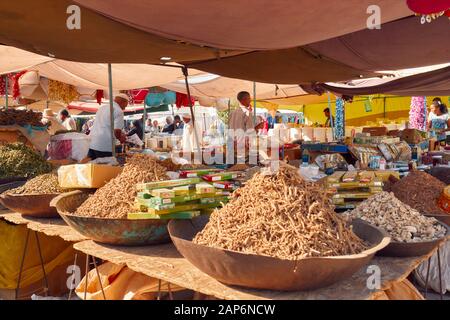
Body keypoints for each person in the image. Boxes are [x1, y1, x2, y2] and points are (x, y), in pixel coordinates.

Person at [88, 94, 128, 160]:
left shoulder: (102, 108)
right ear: (122, 102)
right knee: (105, 168)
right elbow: (117, 131)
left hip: (92, 143)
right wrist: (121, 138)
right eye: (125, 106)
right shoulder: (118, 111)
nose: (124, 108)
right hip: (104, 146)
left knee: (93, 168)